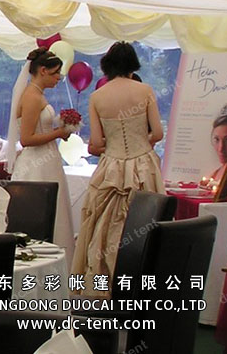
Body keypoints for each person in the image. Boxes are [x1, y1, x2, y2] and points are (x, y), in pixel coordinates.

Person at [72, 42, 164, 297]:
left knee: (102, 228)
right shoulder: (144, 90)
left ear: (107, 66)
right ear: (133, 64)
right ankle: (142, 288)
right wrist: (140, 140)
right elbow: (157, 132)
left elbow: (97, 143)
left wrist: (114, 147)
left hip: (110, 168)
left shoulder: (96, 96)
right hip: (144, 166)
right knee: (147, 224)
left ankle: (104, 289)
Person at [0, 47, 75, 258]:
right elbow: (27, 139)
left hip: (47, 160)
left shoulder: (36, 94)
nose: (59, 78)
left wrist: (59, 128)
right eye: (55, 73)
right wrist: (58, 133)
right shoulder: (32, 96)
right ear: (42, 70)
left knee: (56, 210)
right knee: (43, 212)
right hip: (38, 162)